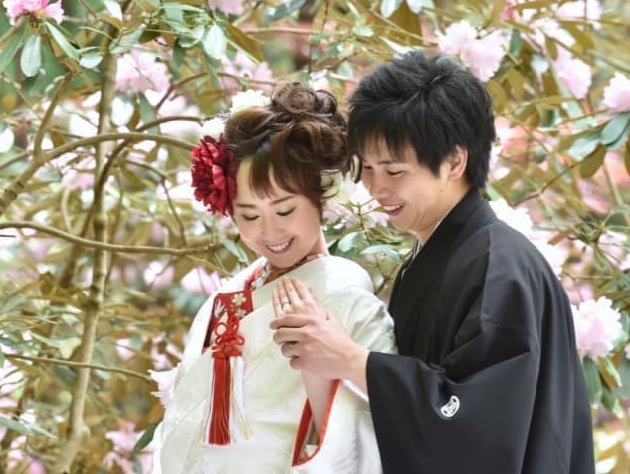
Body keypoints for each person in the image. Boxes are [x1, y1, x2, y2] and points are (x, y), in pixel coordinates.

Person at [270, 51, 595, 474]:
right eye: (367, 168)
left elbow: (480, 426)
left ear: (455, 161)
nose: (376, 187)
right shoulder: (444, 255)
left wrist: (353, 360)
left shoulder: (500, 267)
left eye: (394, 170)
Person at [152, 82, 395, 474]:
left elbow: (369, 444)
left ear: (322, 193)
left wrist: (319, 370)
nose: (270, 232)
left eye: (284, 211)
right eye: (249, 216)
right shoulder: (228, 294)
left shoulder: (350, 301)